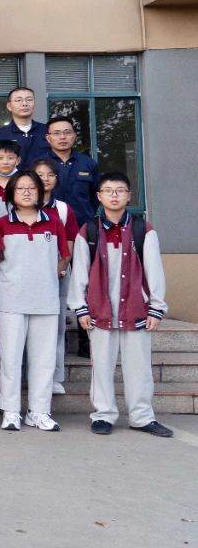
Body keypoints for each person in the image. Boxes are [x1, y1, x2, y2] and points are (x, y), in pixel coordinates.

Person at [68, 172, 172, 438]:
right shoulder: (89, 231)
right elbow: (79, 271)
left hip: (136, 308)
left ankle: (142, 416)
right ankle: (103, 415)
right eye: (108, 190)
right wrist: (80, 306)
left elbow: (154, 271)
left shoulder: (143, 230)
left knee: (139, 366)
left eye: (120, 190)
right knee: (101, 366)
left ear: (129, 196)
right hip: (99, 310)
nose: (114, 195)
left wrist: (156, 307)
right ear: (99, 196)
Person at [0, 170, 69, 432]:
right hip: (10, 301)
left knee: (43, 359)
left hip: (45, 300)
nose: (26, 192)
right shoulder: (0, 224)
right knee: (10, 358)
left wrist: (48, 276)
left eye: (31, 188)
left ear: (40, 192)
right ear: (11, 193)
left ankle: (39, 411)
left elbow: (64, 257)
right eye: (21, 188)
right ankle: (11, 411)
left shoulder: (53, 223)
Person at [33, 158, 82, 396]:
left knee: (56, 326)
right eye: (39, 174)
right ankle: (29, 374)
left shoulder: (62, 209)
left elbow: (70, 243)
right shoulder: (17, 205)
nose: (45, 179)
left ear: (56, 179)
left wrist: (59, 268)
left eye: (50, 175)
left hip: (57, 274)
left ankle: (55, 376)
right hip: (26, 276)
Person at [43, 115, 99, 227]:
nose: (62, 137)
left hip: (82, 226)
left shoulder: (88, 163)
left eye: (67, 132)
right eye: (57, 133)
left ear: (74, 135)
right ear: (48, 138)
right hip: (48, 226)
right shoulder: (39, 164)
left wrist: (87, 214)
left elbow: (96, 195)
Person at [0, 87, 48, 170]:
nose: (25, 104)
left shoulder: (48, 131)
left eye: (29, 100)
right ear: (9, 106)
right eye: (19, 100)